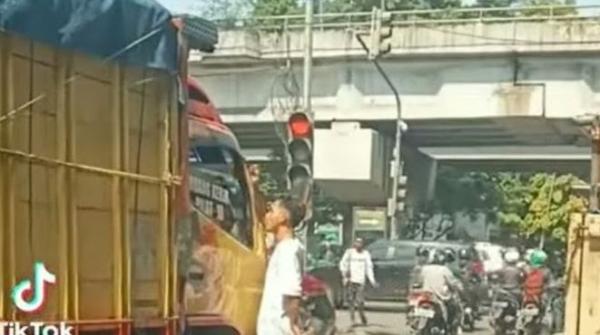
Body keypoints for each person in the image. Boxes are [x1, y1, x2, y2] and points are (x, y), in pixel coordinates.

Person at [256, 196, 307, 335]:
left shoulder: (287, 250)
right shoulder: (284, 248)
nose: (266, 215)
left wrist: (292, 324)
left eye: (271, 211)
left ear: (283, 217)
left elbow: (292, 291)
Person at [419, 249, 463, 331]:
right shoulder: (444, 270)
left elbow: (419, 281)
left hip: (426, 296)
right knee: (452, 309)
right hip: (439, 297)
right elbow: (453, 283)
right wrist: (460, 288)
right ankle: (447, 327)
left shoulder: (424, 269)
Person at [339, 237, 378, 326]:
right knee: (351, 301)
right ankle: (352, 320)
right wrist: (344, 275)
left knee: (360, 302)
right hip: (351, 281)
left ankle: (362, 316)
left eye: (360, 243)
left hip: (360, 281)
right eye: (357, 243)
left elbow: (369, 268)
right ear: (354, 244)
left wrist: (372, 280)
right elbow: (342, 264)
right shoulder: (349, 253)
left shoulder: (365, 254)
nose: (358, 245)